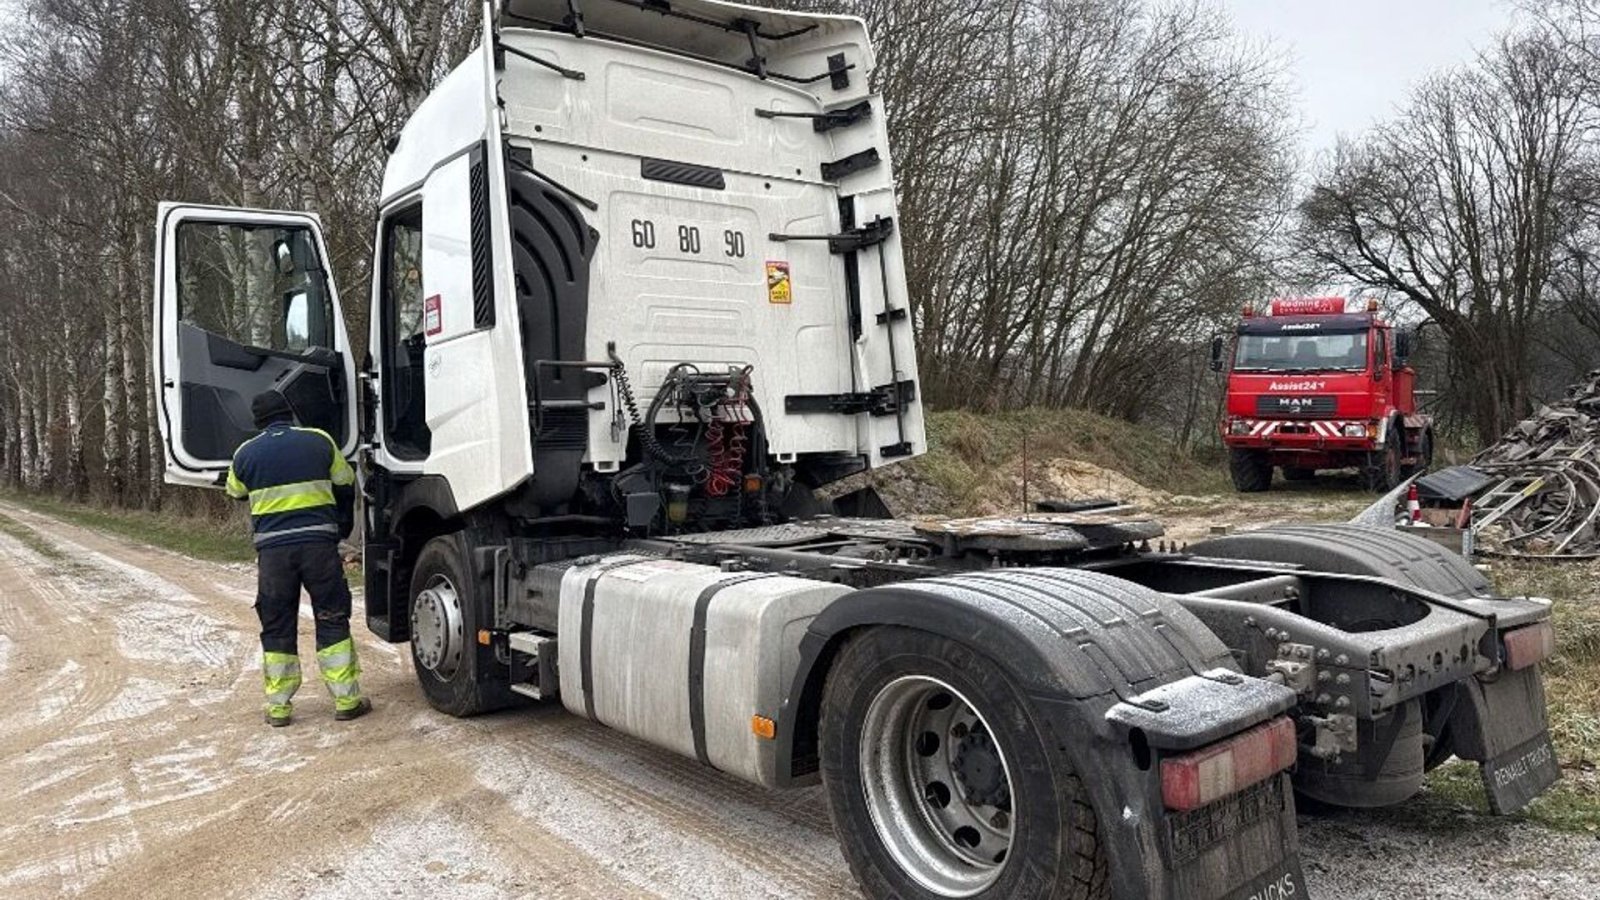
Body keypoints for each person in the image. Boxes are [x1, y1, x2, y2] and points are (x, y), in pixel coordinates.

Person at [226, 390, 370, 727]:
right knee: (332, 616)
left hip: (274, 555)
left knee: (277, 625)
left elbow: (235, 491)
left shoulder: (245, 453)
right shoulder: (319, 440)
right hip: (319, 547)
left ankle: (279, 708)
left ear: (257, 421)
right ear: (289, 412)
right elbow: (345, 479)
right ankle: (347, 700)